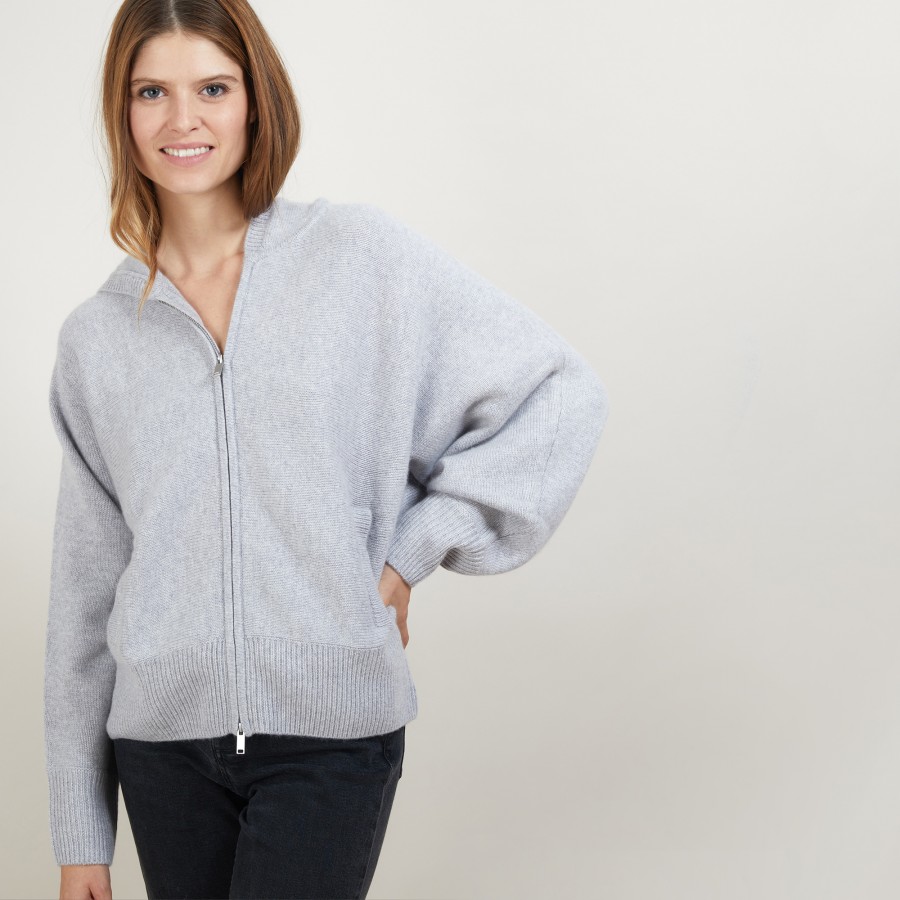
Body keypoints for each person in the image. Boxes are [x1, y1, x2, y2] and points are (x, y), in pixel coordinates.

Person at [44, 1, 610, 898]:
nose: (183, 119)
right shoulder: (97, 338)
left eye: (213, 89)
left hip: (331, 736)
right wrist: (81, 834)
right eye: (152, 92)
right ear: (122, 111)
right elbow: (84, 594)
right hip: (160, 749)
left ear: (255, 102)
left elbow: (558, 391)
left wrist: (413, 548)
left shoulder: (357, 259)